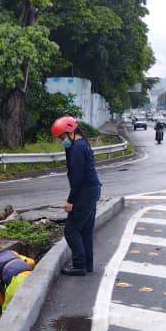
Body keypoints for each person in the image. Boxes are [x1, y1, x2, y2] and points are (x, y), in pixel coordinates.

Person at [51, 116, 102, 276]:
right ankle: (87, 264)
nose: (61, 141)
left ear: (71, 132)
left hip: (84, 192)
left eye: (62, 137)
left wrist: (70, 201)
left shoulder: (78, 148)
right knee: (85, 230)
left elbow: (77, 179)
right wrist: (68, 148)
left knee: (71, 231)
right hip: (92, 190)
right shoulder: (81, 145)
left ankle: (79, 265)